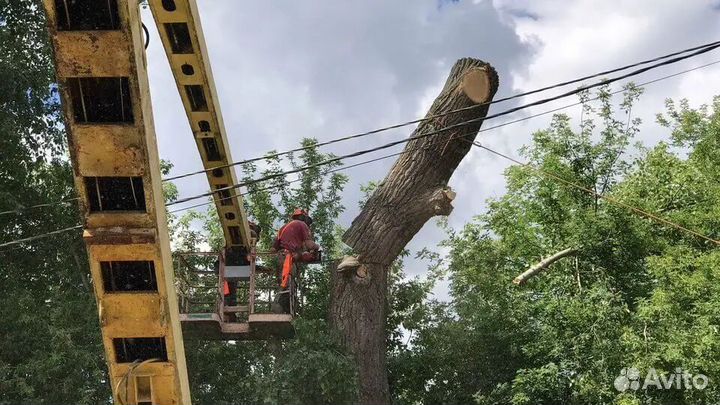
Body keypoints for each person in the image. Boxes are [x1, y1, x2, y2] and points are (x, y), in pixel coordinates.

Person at [272, 208, 319, 313]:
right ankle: (280, 309)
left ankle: (284, 309)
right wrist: (316, 247)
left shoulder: (283, 228)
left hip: (281, 257)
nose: (308, 224)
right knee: (288, 284)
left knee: (283, 282)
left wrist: (300, 255)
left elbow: (274, 248)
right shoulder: (302, 225)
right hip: (288, 259)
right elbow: (309, 244)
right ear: (303, 217)